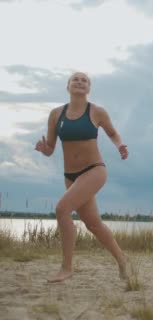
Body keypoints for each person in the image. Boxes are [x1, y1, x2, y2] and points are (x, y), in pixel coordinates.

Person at [35, 72, 129, 283]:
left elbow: (113, 133)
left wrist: (120, 145)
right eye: (75, 79)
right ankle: (122, 260)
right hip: (71, 176)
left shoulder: (97, 112)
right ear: (67, 86)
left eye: (84, 80)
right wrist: (43, 149)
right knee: (93, 224)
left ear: (88, 88)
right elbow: (51, 148)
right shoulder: (55, 114)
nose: (79, 82)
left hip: (94, 170)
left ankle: (66, 268)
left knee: (62, 209)